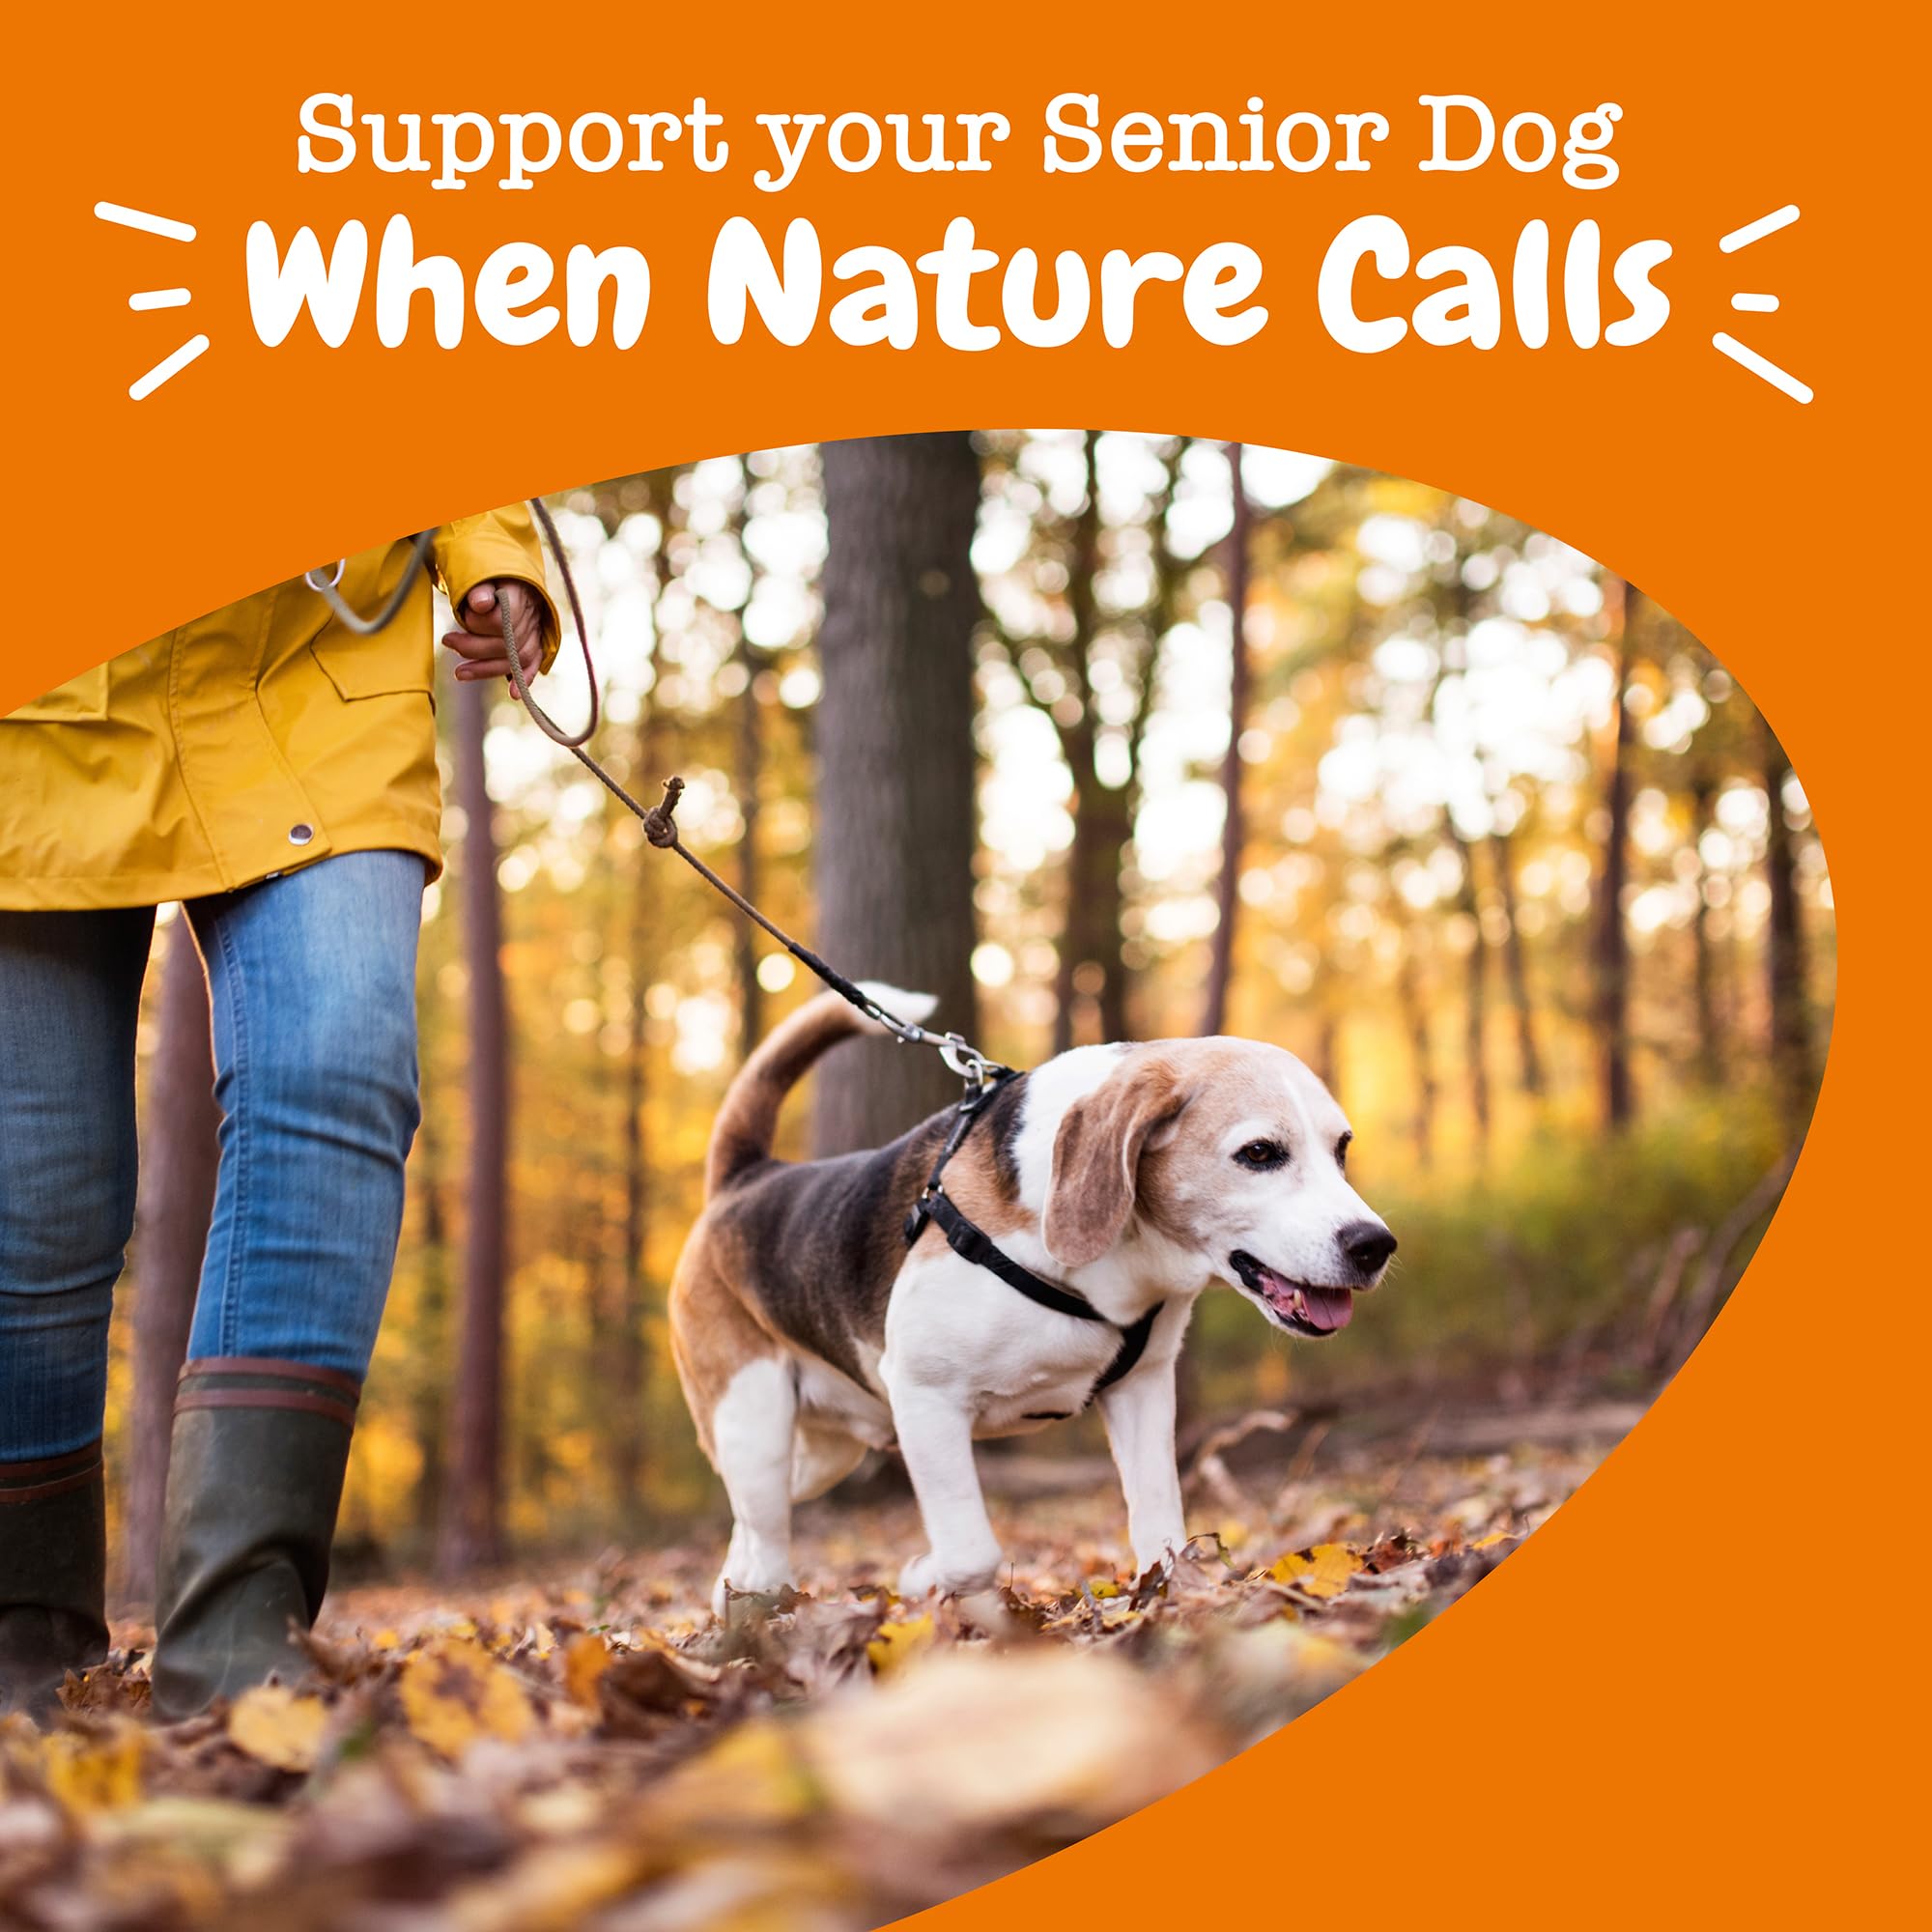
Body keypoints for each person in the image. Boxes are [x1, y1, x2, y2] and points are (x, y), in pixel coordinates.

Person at [0, 512, 557, 1720]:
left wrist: (494, 548)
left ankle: (240, 1641)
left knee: (339, 1067)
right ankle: (20, 1648)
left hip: (310, 664)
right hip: (34, 713)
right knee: (36, 1195)